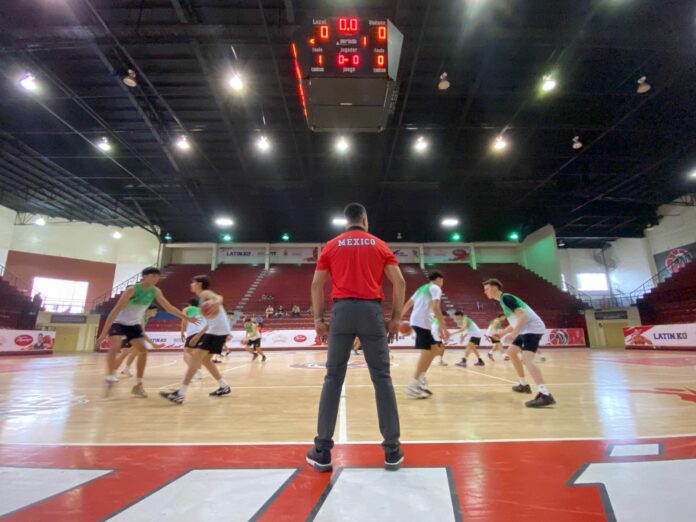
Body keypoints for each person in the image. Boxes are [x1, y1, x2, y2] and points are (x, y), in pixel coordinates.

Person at [306, 202, 406, 472]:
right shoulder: (379, 245)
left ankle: (322, 451)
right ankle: (392, 450)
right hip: (372, 312)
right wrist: (396, 318)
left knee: (333, 378)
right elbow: (399, 282)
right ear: (364, 219)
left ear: (346, 221)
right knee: (382, 379)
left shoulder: (331, 245)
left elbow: (316, 284)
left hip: (341, 312)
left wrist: (318, 320)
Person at [97, 267, 196, 398]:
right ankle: (110, 375)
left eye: (158, 276)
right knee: (115, 347)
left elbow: (169, 308)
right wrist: (103, 334)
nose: (156, 279)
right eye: (153, 276)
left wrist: (186, 318)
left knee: (143, 351)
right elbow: (115, 310)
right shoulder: (132, 290)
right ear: (144, 276)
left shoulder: (155, 291)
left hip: (134, 325)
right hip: (119, 322)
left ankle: (138, 385)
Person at [483, 278, 556, 408]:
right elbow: (515, 321)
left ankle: (545, 394)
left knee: (527, 359)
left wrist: (514, 333)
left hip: (532, 328)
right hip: (525, 329)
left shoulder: (506, 298)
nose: (485, 291)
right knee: (511, 352)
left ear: (495, 288)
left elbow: (524, 316)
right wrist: (502, 333)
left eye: (487, 289)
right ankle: (523, 384)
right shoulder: (503, 301)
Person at [160, 275, 232, 404]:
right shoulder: (201, 300)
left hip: (217, 332)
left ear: (199, 284)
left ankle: (180, 393)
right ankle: (224, 386)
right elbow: (210, 321)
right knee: (205, 360)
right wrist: (198, 335)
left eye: (193, 282)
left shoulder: (205, 293)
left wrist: (216, 302)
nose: (191, 284)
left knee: (195, 359)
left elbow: (218, 297)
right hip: (216, 330)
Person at [401, 272, 449, 399]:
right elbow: (435, 306)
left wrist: (399, 318)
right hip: (422, 322)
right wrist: (443, 324)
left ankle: (420, 380)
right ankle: (413, 386)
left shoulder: (422, 288)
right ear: (439, 279)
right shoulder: (435, 288)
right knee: (428, 352)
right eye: (442, 280)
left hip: (417, 321)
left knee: (433, 350)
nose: (442, 283)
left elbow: (408, 304)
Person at [116, 305, 161, 377]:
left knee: (136, 351)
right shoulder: (141, 318)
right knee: (124, 353)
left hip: (131, 335)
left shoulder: (146, 318)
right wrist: (152, 343)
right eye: (154, 310)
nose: (156, 312)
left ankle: (126, 369)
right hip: (126, 335)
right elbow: (142, 333)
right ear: (148, 310)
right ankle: (112, 372)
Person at [180, 298, 207, 381]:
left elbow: (184, 320)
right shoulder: (203, 310)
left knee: (186, 353)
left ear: (190, 304)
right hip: (204, 333)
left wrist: (182, 332)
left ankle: (195, 370)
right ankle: (198, 374)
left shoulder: (187, 309)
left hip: (193, 333)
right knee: (196, 355)